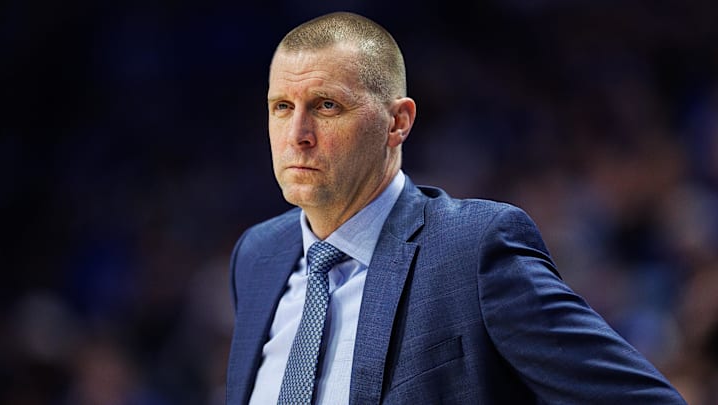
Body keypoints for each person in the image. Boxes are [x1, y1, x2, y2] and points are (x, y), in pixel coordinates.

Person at [225, 11, 687, 405]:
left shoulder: (472, 251)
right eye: (281, 107)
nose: (297, 134)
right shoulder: (257, 256)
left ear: (397, 122)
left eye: (327, 106)